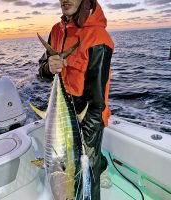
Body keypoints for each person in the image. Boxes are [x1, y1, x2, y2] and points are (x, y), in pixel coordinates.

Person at [38, 0, 114, 199]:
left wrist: (85, 144)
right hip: (63, 110)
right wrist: (49, 67)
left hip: (88, 117)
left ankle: (98, 166)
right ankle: (100, 163)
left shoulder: (98, 38)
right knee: (74, 165)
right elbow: (42, 70)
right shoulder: (56, 30)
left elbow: (97, 103)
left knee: (87, 173)